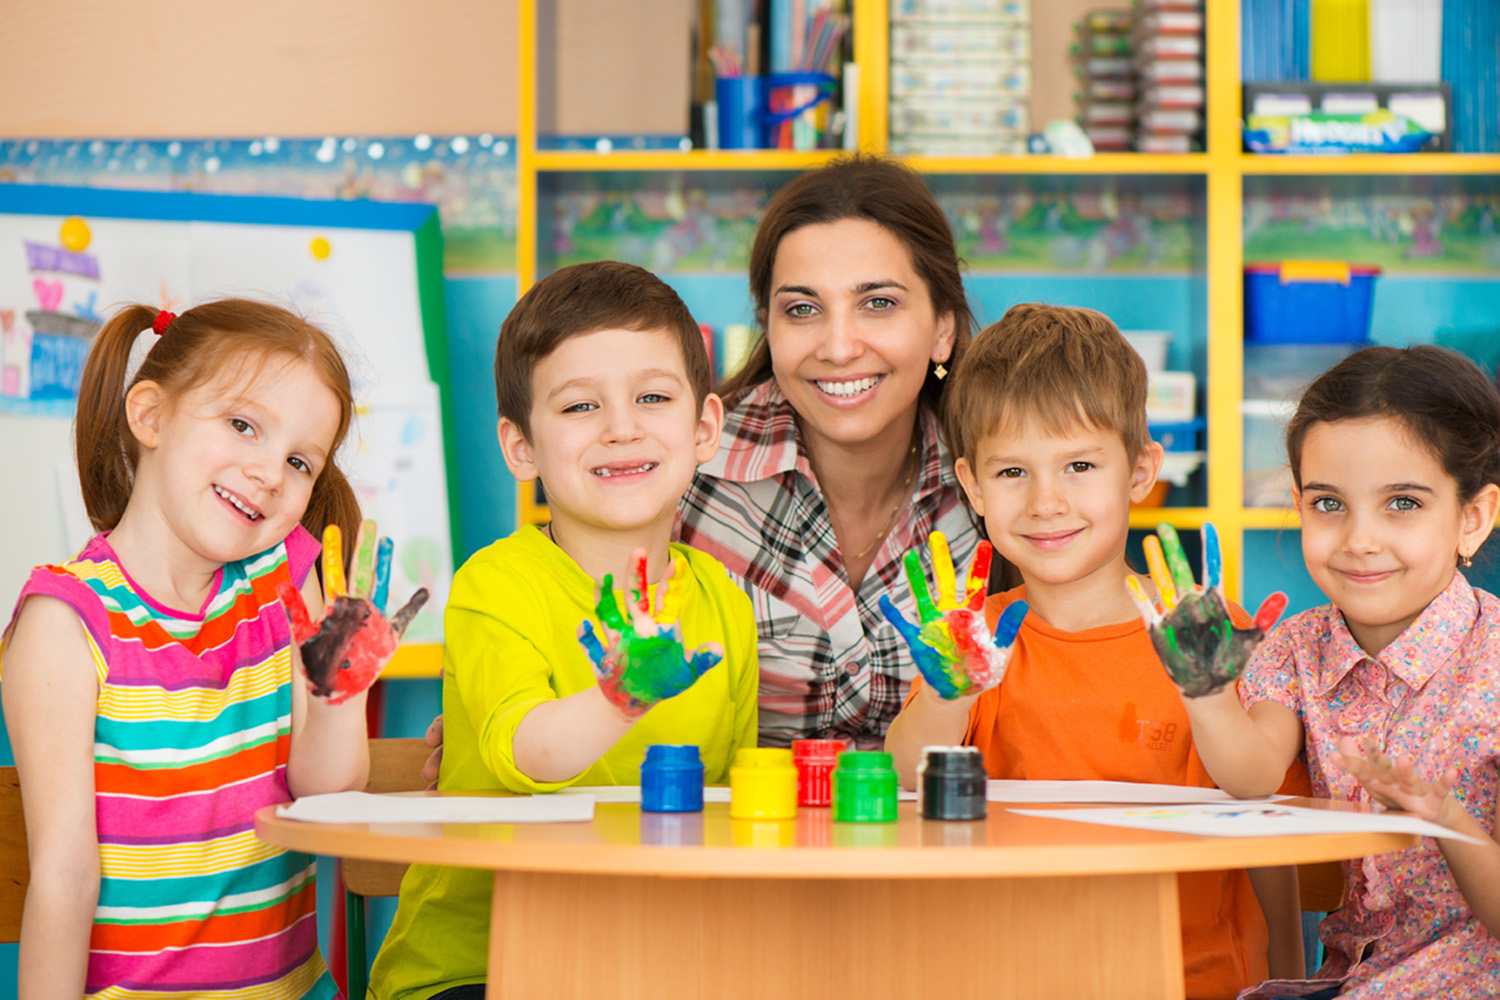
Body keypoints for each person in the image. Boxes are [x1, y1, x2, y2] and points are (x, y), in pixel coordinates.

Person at [883, 303, 1307, 999]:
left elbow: (1264, 816)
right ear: (972, 486)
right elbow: (905, 778)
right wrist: (945, 693)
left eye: (1079, 464)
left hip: (1190, 981)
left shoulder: (1202, 636)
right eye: (1013, 472)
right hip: (1002, 978)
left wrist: (1289, 973)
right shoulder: (970, 646)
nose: (1047, 502)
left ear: (1140, 471)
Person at [369, 261, 759, 1000]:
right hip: (478, 970)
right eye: (581, 407)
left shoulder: (726, 605)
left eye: (652, 396)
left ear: (704, 427)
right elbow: (529, 756)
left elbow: (729, 816)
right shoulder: (497, 585)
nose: (621, 428)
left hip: (652, 969)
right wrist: (622, 698)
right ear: (521, 448)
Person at [1, 300, 383, 998]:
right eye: (243, 425)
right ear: (149, 416)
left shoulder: (290, 584)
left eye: (299, 461)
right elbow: (63, 873)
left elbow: (325, 797)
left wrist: (337, 697)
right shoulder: (65, 621)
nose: (270, 472)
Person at [1170, 345, 1500, 1000]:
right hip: (1352, 978)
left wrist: (1446, 818)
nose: (1359, 539)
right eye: (1329, 504)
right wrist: (1205, 693)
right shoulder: (1296, 646)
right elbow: (1255, 776)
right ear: (1297, 504)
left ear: (1472, 518)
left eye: (1402, 503)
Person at [677, 153, 980, 749]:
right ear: (769, 325)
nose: (839, 347)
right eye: (803, 309)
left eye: (878, 303)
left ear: (942, 327)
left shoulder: (999, 480)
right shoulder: (685, 472)